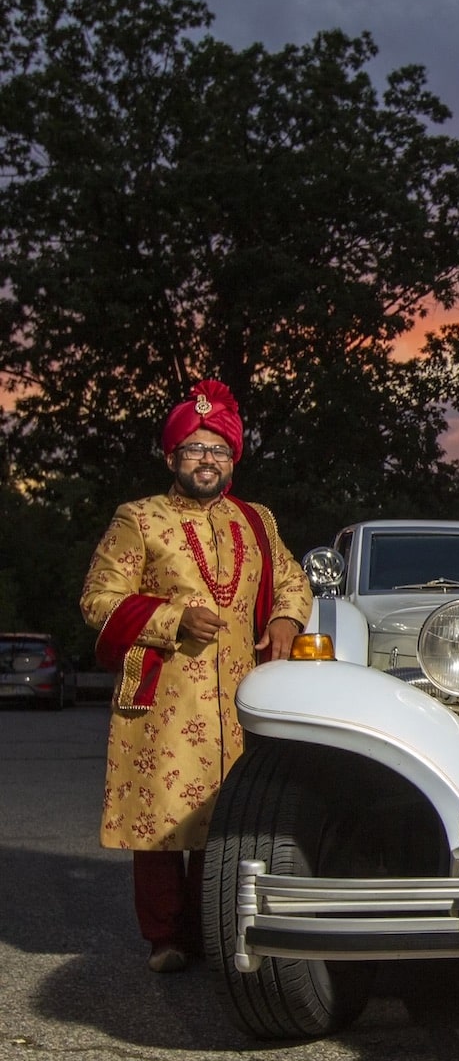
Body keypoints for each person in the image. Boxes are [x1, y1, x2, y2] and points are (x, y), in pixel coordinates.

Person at [81, 379, 313, 973]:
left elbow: (292, 579)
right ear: (171, 457)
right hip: (164, 697)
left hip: (241, 696)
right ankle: (166, 937)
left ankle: (219, 929)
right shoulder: (138, 518)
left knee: (232, 819)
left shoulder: (256, 519)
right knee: (161, 824)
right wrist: (172, 617)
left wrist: (286, 618)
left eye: (218, 451)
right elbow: (99, 600)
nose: (206, 461)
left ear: (232, 461)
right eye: (194, 448)